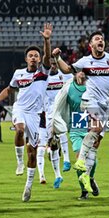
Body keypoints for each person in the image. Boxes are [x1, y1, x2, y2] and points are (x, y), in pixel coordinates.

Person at [52, 31, 109, 192]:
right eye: (97, 39)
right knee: (96, 127)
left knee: (96, 139)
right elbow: (67, 70)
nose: (101, 41)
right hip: (89, 101)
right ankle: (81, 161)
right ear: (90, 45)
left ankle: (87, 175)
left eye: (102, 39)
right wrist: (57, 58)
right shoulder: (85, 61)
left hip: (104, 105)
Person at [0, 23, 52, 202]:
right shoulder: (19, 73)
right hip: (20, 109)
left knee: (33, 151)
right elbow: (9, 90)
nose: (33, 58)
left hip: (36, 115)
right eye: (30, 56)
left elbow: (47, 56)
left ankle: (28, 186)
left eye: (36, 56)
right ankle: (19, 162)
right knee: (19, 130)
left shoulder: (43, 73)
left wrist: (46, 40)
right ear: (26, 59)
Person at [51, 72, 101, 200]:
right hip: (76, 127)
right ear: (75, 72)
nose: (82, 73)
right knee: (80, 159)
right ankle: (84, 191)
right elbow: (58, 107)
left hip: (92, 126)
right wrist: (56, 125)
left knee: (92, 160)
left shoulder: (93, 86)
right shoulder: (68, 87)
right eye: (79, 70)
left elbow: (105, 102)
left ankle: (90, 178)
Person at [36, 58, 73, 187]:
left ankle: (67, 160)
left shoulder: (65, 76)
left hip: (60, 113)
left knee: (61, 133)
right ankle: (55, 175)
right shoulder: (41, 79)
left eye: (54, 64)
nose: (52, 66)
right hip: (44, 116)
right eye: (50, 64)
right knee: (51, 146)